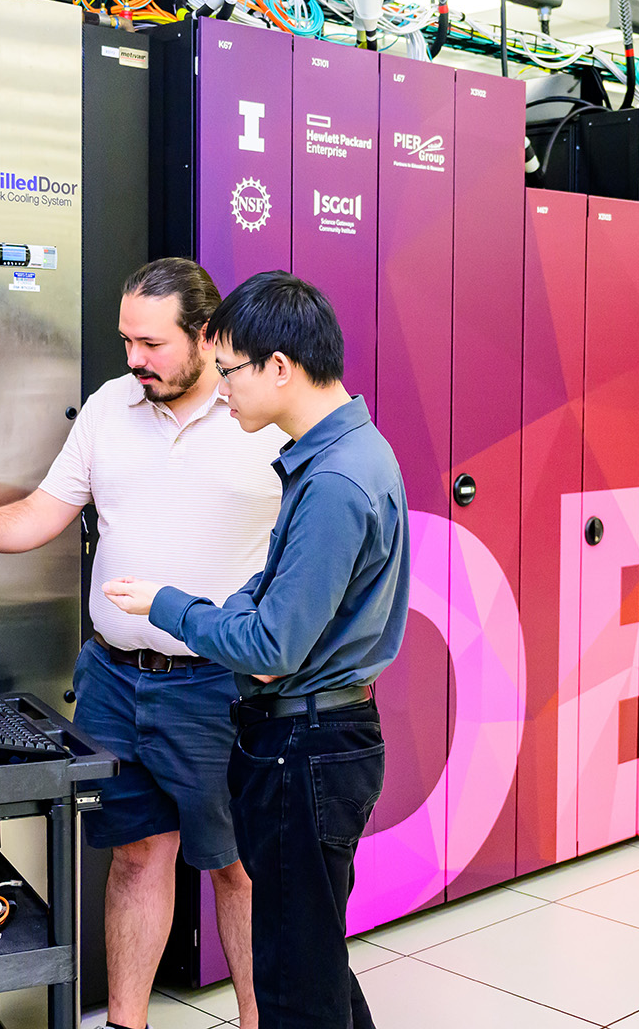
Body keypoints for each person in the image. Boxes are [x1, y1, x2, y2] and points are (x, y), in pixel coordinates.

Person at [0, 258, 280, 1029]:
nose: (134, 360)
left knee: (239, 870)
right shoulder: (113, 405)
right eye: (125, 341)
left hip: (221, 685)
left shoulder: (261, 418)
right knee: (137, 854)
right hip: (115, 680)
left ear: (207, 336)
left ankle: (258, 1021)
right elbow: (47, 509)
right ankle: (126, 1023)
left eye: (150, 343)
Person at [103, 271, 409, 1029]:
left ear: (279, 367)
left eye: (231, 370)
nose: (224, 387)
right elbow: (267, 587)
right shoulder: (337, 454)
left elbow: (271, 644)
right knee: (313, 960)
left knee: (293, 985)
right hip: (312, 740)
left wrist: (168, 606)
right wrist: (224, 607)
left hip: (304, 746)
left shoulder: (335, 479)